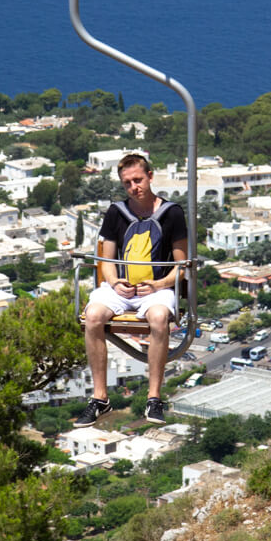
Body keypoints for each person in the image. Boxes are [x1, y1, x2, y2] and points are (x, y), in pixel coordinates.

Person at [76, 153, 189, 427]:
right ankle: (100, 397)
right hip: (121, 288)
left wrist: (159, 284)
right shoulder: (117, 213)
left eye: (138, 180)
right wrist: (114, 282)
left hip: (158, 288)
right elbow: (107, 260)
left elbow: (182, 264)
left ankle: (154, 397)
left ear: (150, 177)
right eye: (127, 183)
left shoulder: (171, 213)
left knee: (159, 318)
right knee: (92, 317)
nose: (133, 187)